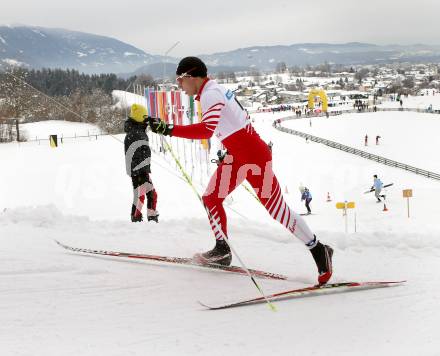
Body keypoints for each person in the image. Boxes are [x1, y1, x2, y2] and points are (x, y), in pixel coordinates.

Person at [148, 56, 333, 285]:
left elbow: (206, 131)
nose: (179, 86)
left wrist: (168, 129)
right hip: (238, 156)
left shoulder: (210, 94)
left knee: (277, 210)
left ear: (190, 76)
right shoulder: (211, 90)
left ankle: (319, 249)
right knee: (211, 198)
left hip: (254, 158)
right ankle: (222, 250)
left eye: (179, 80)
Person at [124, 104, 159, 223]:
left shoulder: (135, 131)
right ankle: (139, 219)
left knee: (149, 194)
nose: (146, 120)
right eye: (144, 117)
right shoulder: (136, 133)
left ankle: (148, 217)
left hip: (140, 169)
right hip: (139, 170)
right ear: (140, 118)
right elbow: (139, 153)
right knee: (143, 195)